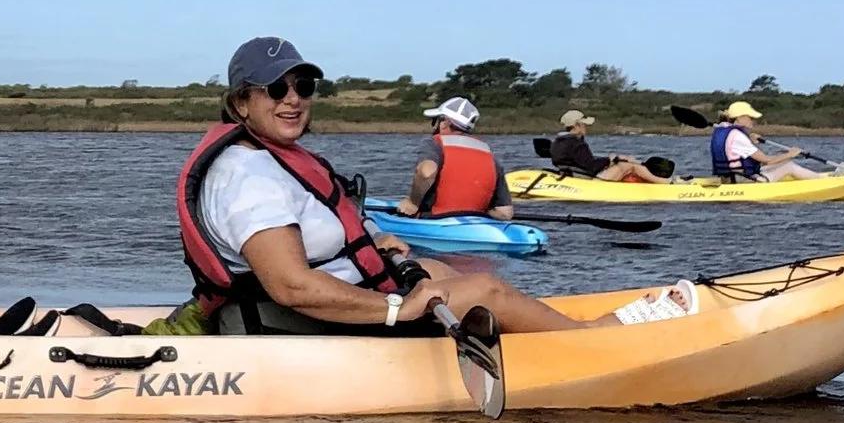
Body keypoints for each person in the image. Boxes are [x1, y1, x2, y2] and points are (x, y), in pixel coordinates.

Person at [174, 38, 691, 336]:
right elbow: (292, 286)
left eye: (303, 87)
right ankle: (592, 341)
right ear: (241, 102)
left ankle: (557, 332)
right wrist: (400, 307)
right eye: (276, 89)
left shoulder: (274, 159)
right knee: (484, 287)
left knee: (442, 270)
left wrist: (381, 245)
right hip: (282, 322)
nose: (294, 99)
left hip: (315, 304)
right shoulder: (247, 175)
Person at [399, 96, 515, 220]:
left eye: (435, 121)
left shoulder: (434, 143)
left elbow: (426, 173)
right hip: (476, 222)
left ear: (445, 122)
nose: (434, 126)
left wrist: (413, 203)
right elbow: (505, 213)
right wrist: (480, 213)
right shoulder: (488, 154)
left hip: (435, 219)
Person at [547, 110, 669, 184]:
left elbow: (582, 162)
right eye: (584, 125)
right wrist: (612, 160)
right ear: (577, 125)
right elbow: (591, 167)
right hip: (587, 179)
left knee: (620, 163)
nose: (586, 127)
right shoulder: (577, 144)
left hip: (572, 175)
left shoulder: (558, 141)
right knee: (630, 166)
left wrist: (609, 160)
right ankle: (666, 183)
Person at [708, 101, 821, 182]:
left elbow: (733, 144)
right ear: (739, 117)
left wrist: (749, 138)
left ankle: (818, 178)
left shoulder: (722, 130)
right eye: (751, 117)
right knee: (788, 165)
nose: (753, 120)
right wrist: (790, 154)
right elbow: (767, 161)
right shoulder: (738, 137)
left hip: (729, 178)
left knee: (781, 164)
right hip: (743, 181)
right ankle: (821, 182)